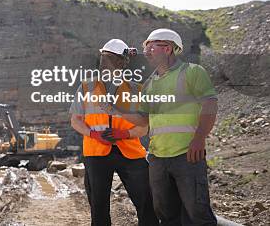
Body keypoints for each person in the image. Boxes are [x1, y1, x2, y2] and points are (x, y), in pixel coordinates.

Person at [117, 29, 218, 226]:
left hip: (187, 155)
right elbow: (143, 119)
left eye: (151, 46)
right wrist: (117, 111)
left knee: (197, 214)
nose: (146, 51)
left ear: (168, 48)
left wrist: (199, 138)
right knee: (166, 215)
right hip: (158, 159)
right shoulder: (149, 84)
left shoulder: (192, 72)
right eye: (145, 47)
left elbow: (210, 104)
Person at [70, 39, 158, 226]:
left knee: (147, 204)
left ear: (123, 62)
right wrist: (94, 134)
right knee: (99, 208)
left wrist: (123, 134)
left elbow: (144, 126)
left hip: (131, 153)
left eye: (112, 59)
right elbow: (76, 121)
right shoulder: (87, 88)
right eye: (104, 59)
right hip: (96, 152)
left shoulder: (137, 90)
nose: (106, 63)